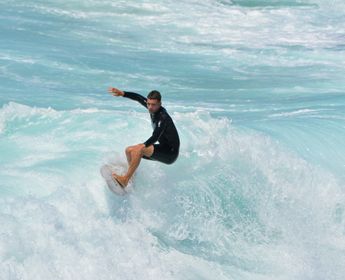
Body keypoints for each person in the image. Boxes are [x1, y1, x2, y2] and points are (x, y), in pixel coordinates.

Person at [107, 87, 180, 188]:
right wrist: (123, 93)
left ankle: (125, 179)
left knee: (139, 149)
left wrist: (143, 145)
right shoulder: (152, 107)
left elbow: (155, 136)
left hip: (170, 154)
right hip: (163, 147)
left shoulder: (163, 118)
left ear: (160, 104)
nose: (150, 107)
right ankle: (132, 177)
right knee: (129, 150)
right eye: (148, 104)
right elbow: (137, 97)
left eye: (153, 105)